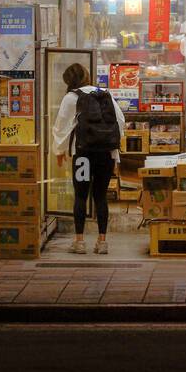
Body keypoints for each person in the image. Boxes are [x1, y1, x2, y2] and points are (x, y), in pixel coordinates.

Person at [52, 63, 126, 255]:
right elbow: (120, 121)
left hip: (83, 155)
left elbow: (61, 126)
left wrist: (59, 151)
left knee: (81, 195)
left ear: (68, 80)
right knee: (101, 196)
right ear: (86, 75)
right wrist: (114, 151)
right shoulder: (104, 93)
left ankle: (80, 241)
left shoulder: (71, 97)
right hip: (106, 155)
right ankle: (102, 242)